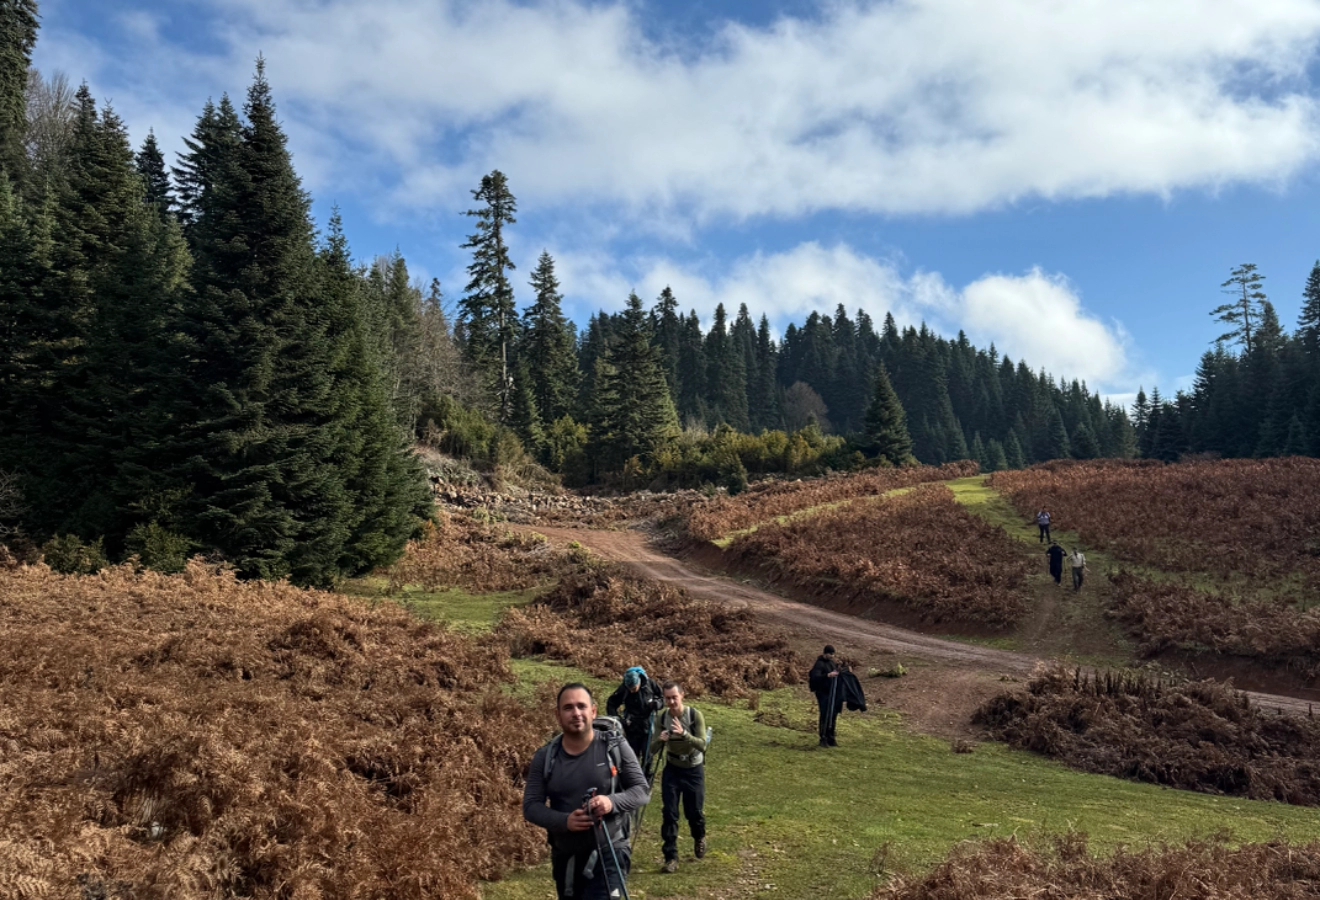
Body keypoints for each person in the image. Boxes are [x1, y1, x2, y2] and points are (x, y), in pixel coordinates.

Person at [524, 683, 651, 900]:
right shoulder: (545, 757)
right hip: (566, 858)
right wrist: (565, 821)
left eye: (581, 706)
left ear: (593, 711)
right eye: (568, 708)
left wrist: (611, 802)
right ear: (558, 715)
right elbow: (531, 806)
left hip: (610, 854)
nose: (576, 713)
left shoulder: (614, 746)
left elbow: (641, 790)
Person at [649, 681, 708, 874]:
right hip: (672, 769)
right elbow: (651, 750)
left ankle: (699, 837)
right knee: (670, 814)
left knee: (694, 812)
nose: (671, 701)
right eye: (667, 698)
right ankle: (671, 857)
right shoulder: (662, 718)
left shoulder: (694, 715)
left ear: (682, 695)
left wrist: (684, 734)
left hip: (693, 770)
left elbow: (702, 745)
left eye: (674, 697)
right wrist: (660, 739)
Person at [606, 665, 663, 767]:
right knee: (631, 757)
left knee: (648, 757)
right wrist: (619, 720)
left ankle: (646, 780)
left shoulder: (650, 684)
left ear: (639, 681)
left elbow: (661, 697)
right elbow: (611, 704)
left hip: (648, 726)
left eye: (634, 688)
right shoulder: (624, 688)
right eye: (629, 689)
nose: (631, 691)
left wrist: (657, 703)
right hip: (632, 727)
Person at [808, 645, 843, 747]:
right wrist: (828, 675)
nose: (832, 656)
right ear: (825, 653)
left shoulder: (831, 663)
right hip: (822, 693)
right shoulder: (819, 664)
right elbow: (815, 677)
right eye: (830, 654)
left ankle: (831, 737)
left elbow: (836, 673)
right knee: (825, 714)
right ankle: (823, 738)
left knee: (833, 714)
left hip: (831, 693)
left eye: (833, 654)